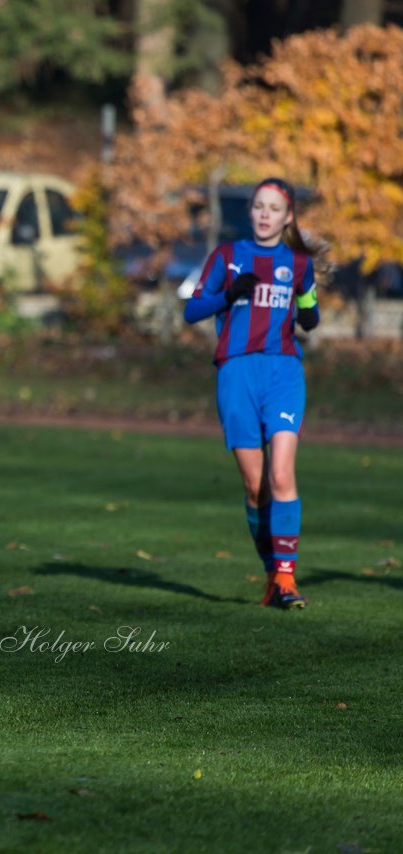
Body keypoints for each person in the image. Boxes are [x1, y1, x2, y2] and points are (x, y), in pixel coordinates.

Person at [183, 177, 320, 610]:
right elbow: (191, 310)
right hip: (236, 373)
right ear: (252, 212)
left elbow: (309, 312)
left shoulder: (298, 263)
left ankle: (286, 578)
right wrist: (227, 295)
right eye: (259, 206)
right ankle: (272, 575)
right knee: (255, 486)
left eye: (274, 208)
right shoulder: (228, 256)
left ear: (288, 216)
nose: (265, 214)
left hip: (283, 371)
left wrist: (310, 310)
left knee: (282, 475)